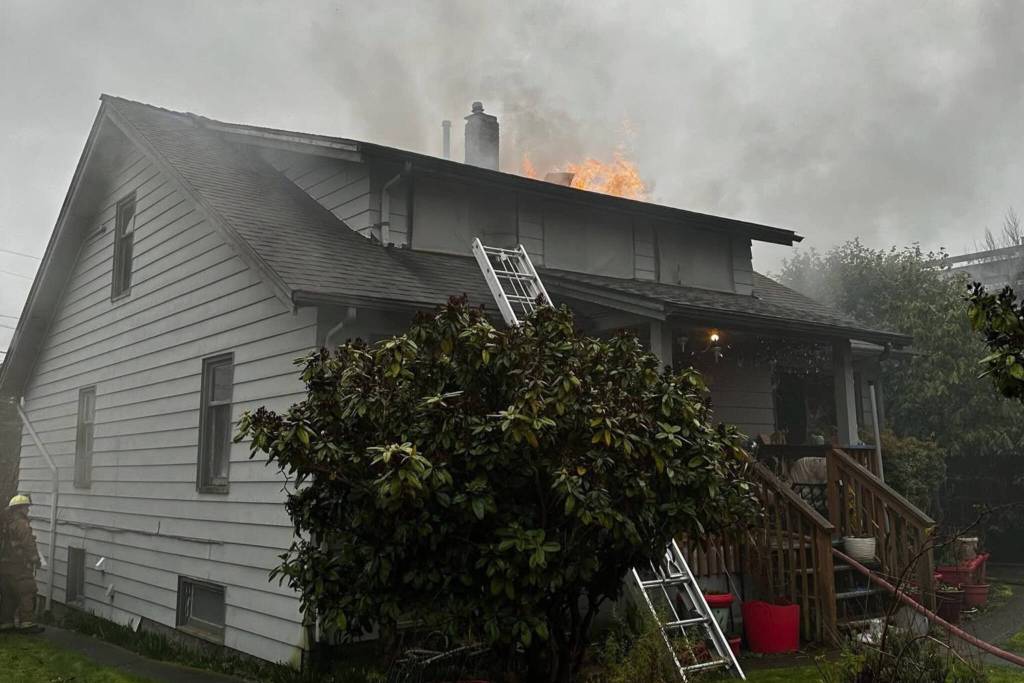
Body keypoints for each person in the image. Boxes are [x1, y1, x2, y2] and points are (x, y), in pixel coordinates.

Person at [0, 494, 42, 632]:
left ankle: (6, 622)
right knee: (26, 591)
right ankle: (27, 623)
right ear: (20, 508)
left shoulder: (7, 524)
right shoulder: (21, 524)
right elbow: (27, 543)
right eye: (26, 507)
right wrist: (35, 559)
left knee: (8, 594)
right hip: (19, 565)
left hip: (4, 566)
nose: (28, 510)